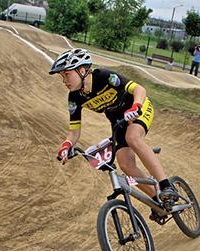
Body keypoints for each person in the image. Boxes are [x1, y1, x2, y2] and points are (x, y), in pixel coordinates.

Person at [50, 48, 179, 211]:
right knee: (124, 164)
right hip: (118, 121)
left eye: (66, 74)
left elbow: (139, 89)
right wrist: (66, 145)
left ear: (82, 70)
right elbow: (74, 130)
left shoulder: (104, 77)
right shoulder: (75, 97)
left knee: (133, 137)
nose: (64, 81)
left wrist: (136, 106)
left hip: (138, 107)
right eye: (62, 76)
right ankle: (159, 202)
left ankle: (166, 185)